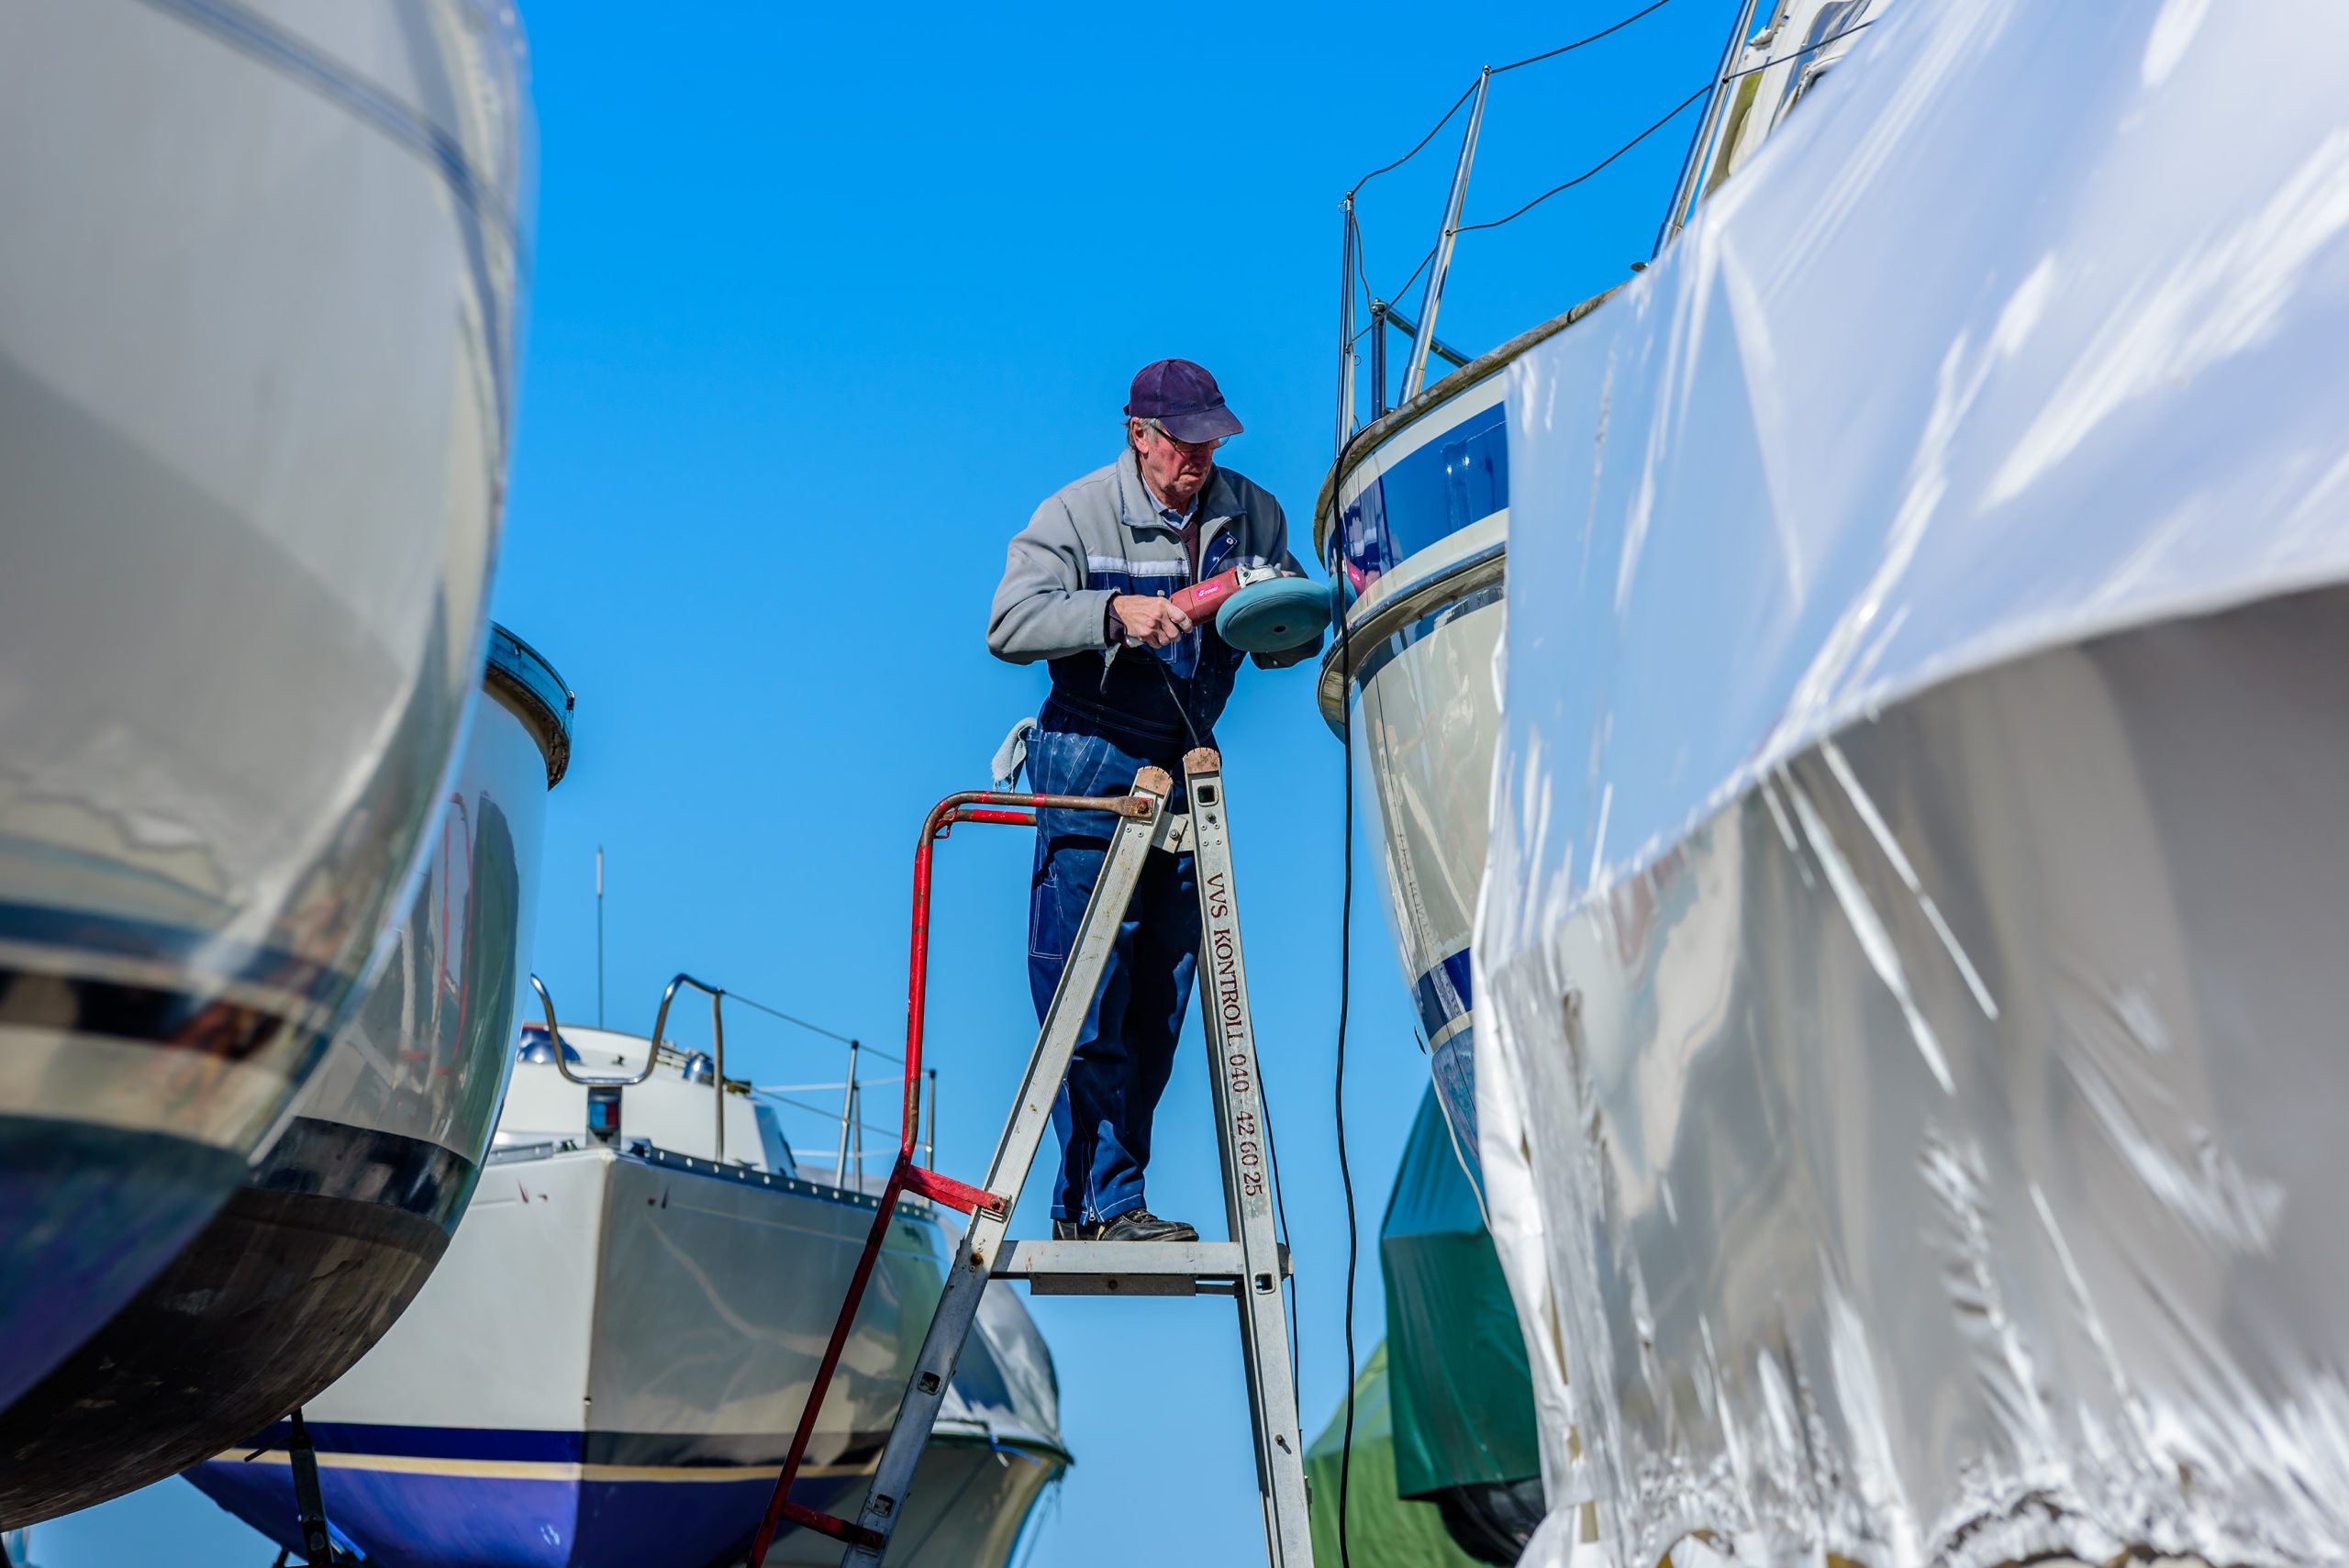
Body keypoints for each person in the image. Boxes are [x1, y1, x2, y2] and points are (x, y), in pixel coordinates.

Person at [986, 359, 1316, 1241]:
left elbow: (1287, 616)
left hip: (1184, 756)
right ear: (1140, 434)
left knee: (1159, 1001)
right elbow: (1008, 624)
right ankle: (1104, 1199)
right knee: (1088, 989)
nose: (1200, 457)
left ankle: (1097, 1199)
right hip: (1092, 754)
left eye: (1212, 439)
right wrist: (1112, 612)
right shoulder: (1075, 514)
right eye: (1183, 440)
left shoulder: (1254, 514)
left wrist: (1281, 618)